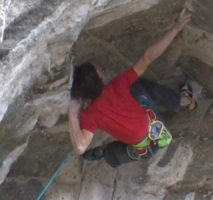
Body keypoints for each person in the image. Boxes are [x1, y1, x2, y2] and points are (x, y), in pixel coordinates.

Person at [68, 9, 193, 168]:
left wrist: (73, 114)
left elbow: (80, 147)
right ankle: (182, 101)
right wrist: (175, 29)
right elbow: (148, 57)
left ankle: (103, 151)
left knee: (115, 152)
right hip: (154, 126)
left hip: (142, 147)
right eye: (97, 70)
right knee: (137, 85)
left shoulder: (89, 115)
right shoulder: (119, 84)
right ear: (99, 79)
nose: (100, 68)